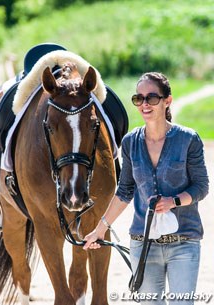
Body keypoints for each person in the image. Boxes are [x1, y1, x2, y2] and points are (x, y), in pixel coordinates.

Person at [83, 72, 209, 304]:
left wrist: (174, 201)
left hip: (184, 242)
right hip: (143, 243)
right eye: (138, 98)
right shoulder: (130, 142)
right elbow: (124, 191)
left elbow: (201, 187)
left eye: (151, 98)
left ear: (167, 101)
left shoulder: (188, 139)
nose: (144, 104)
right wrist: (100, 230)